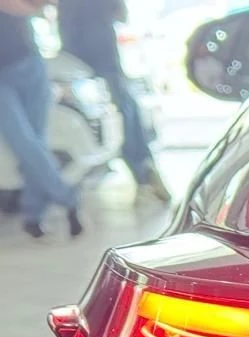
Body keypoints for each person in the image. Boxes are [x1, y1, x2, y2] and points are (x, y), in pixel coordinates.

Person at [57, 0, 170, 202]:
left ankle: (140, 168)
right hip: (97, 40)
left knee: (113, 109)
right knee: (119, 107)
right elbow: (120, 13)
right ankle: (142, 168)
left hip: (81, 42)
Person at [0, 3, 83, 238]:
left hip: (29, 63)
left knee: (37, 141)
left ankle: (33, 217)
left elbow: (33, 7)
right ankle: (67, 197)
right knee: (24, 143)